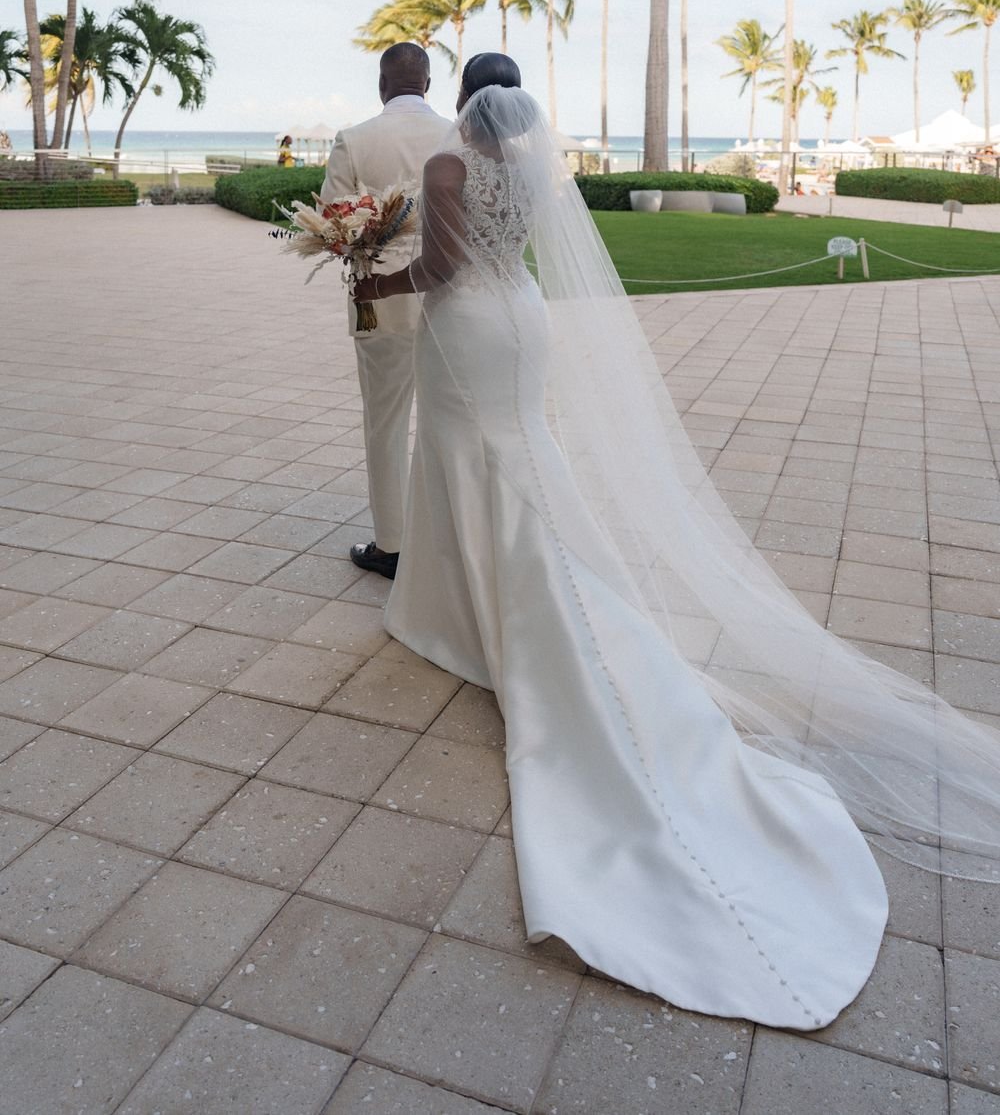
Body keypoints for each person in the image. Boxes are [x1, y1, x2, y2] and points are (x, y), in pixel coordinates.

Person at [355, 68, 1000, 1029]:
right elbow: (504, 255)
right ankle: (467, 603)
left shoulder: (449, 166)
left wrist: (373, 276)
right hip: (524, 321)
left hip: (470, 327)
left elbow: (444, 270)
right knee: (517, 462)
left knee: (476, 464)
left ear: (463, 102)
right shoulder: (536, 174)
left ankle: (500, 612)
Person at [320, 43, 451, 578]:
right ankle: (448, 534)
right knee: (450, 418)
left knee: (386, 420)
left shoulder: (355, 139)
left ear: (381, 84)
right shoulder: (456, 133)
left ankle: (392, 544)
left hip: (380, 295)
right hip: (451, 292)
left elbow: (332, 221)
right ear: (427, 83)